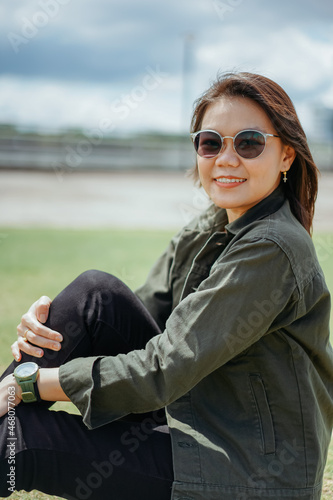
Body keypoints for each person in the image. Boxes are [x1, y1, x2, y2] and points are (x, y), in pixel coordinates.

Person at [0, 71, 332, 500]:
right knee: (95, 295)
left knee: (21, 441)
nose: (226, 158)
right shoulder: (210, 226)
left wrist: (29, 383)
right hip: (197, 418)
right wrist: (50, 325)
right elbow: (123, 321)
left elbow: (162, 368)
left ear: (286, 155)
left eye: (248, 143)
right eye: (211, 142)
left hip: (247, 469)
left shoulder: (273, 247)